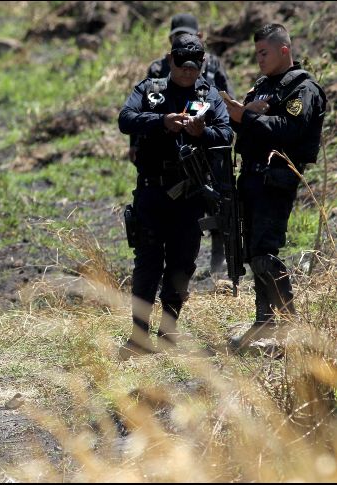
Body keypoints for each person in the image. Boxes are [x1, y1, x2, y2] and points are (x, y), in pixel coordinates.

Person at [118, 33, 233, 358]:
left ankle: (168, 333)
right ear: (171, 61)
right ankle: (139, 337)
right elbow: (125, 120)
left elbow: (225, 133)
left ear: (202, 66)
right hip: (153, 190)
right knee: (148, 262)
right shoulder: (150, 90)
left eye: (193, 68)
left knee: (182, 263)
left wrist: (202, 131)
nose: (187, 73)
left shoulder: (208, 94)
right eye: (182, 67)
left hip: (191, 194)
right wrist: (162, 122)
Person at [223, 24, 327, 350]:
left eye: (263, 53)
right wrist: (239, 114)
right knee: (253, 252)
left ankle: (291, 323)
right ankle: (264, 321)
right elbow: (250, 128)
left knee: (266, 251)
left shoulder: (302, 89)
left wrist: (248, 118)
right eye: (256, 54)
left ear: (284, 50)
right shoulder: (261, 87)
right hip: (251, 177)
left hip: (276, 179)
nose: (258, 59)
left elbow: (290, 129)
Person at [144, 13, 235, 274]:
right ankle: (170, 263)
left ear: (201, 37)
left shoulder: (214, 66)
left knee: (217, 198)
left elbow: (228, 100)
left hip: (207, 144)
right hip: (171, 146)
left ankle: (220, 260)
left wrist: (218, 128)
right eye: (177, 37)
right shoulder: (157, 69)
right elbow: (142, 110)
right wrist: (135, 143)